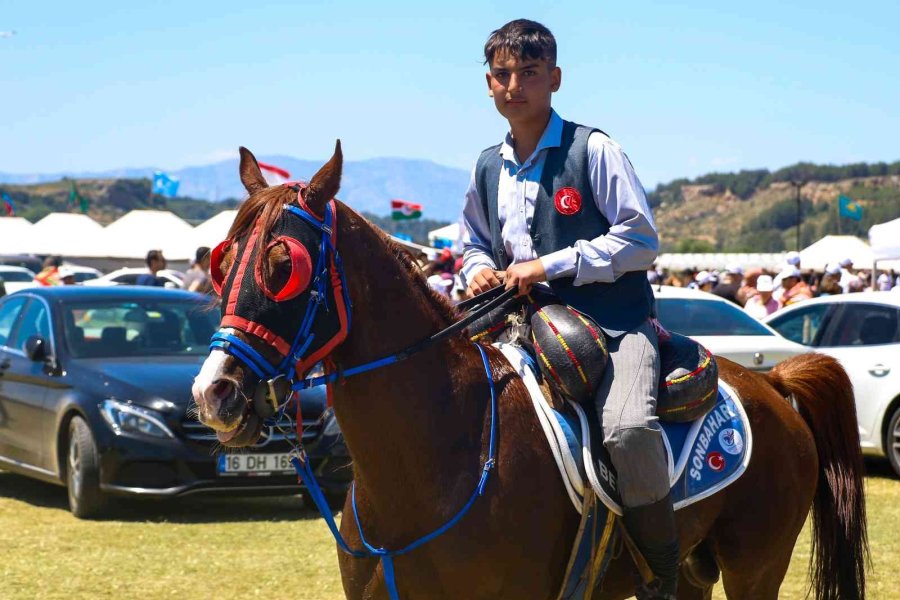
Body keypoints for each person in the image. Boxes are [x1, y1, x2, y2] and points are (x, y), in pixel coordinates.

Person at [461, 20, 675, 598]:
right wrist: (476, 266)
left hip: (613, 323)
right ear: (488, 85)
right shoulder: (486, 166)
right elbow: (474, 241)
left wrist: (550, 265)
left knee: (628, 431)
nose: (515, 85)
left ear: (554, 78)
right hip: (519, 326)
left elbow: (642, 240)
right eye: (503, 75)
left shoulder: (593, 149)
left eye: (529, 73)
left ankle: (661, 571)